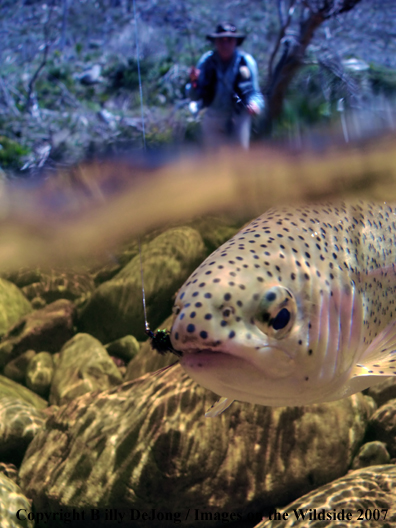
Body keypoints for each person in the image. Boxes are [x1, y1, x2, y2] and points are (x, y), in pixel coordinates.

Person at [187, 22, 264, 150]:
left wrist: (255, 105)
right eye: (221, 40)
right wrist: (193, 82)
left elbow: (255, 94)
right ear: (215, 42)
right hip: (213, 116)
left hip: (239, 116)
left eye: (229, 40)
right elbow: (194, 96)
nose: (225, 44)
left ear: (236, 42)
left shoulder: (246, 62)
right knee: (214, 160)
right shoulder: (206, 62)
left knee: (239, 159)